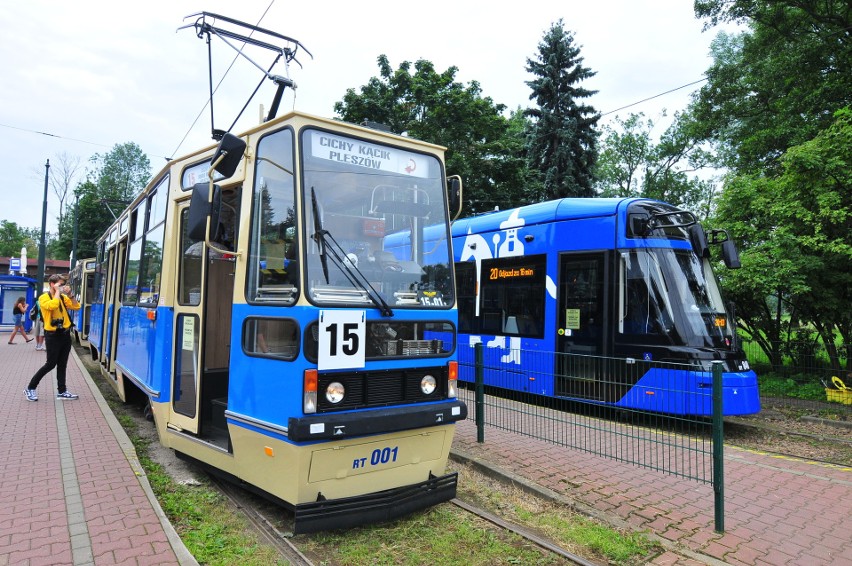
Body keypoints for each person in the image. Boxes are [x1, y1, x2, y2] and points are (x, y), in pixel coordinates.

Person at [24, 274, 81, 401]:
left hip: (65, 334)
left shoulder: (62, 297)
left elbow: (77, 306)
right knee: (50, 364)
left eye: (62, 285)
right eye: (60, 285)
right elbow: (53, 305)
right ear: (52, 284)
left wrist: (70, 294)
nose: (62, 287)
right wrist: (57, 292)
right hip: (52, 336)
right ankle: (30, 388)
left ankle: (62, 391)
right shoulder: (43, 298)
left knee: (62, 364)